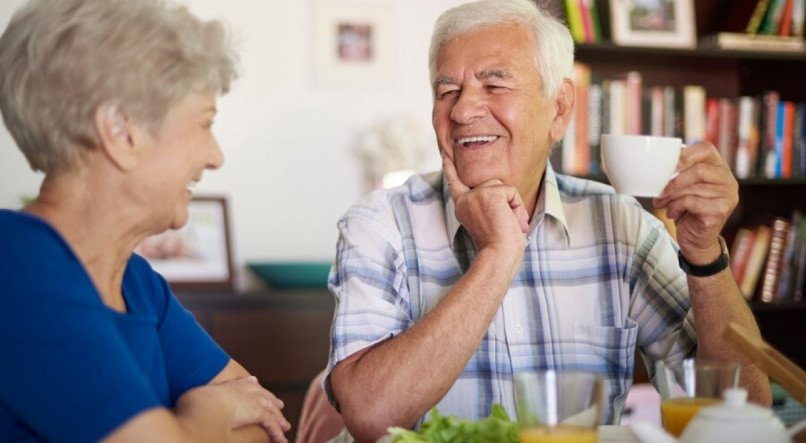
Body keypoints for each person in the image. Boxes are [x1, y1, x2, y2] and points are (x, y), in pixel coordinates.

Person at [324, 0, 772, 441]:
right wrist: (497, 255)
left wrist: (705, 256)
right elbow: (369, 415)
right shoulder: (380, 223)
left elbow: (742, 409)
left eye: (494, 85)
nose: (462, 111)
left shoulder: (620, 226)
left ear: (558, 108)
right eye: (447, 91)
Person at [0, 0, 290, 441]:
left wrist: (182, 428)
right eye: (204, 123)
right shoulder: (17, 264)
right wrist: (208, 410)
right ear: (122, 131)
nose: (215, 156)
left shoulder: (137, 284)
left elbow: (264, 425)